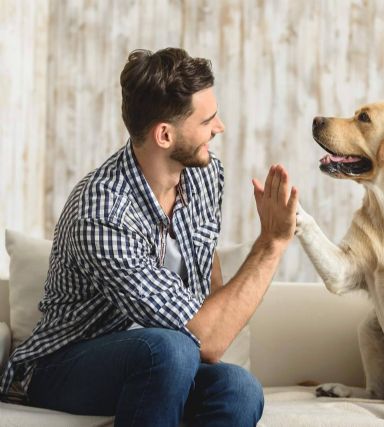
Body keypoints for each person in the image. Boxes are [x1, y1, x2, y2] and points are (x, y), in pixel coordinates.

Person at [0, 47, 298, 426]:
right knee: (170, 348)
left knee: (239, 389)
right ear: (164, 135)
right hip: (63, 365)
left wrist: (211, 334)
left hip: (166, 360)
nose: (219, 127)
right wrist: (271, 243)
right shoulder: (102, 211)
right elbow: (204, 338)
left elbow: (207, 269)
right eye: (207, 119)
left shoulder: (204, 174)